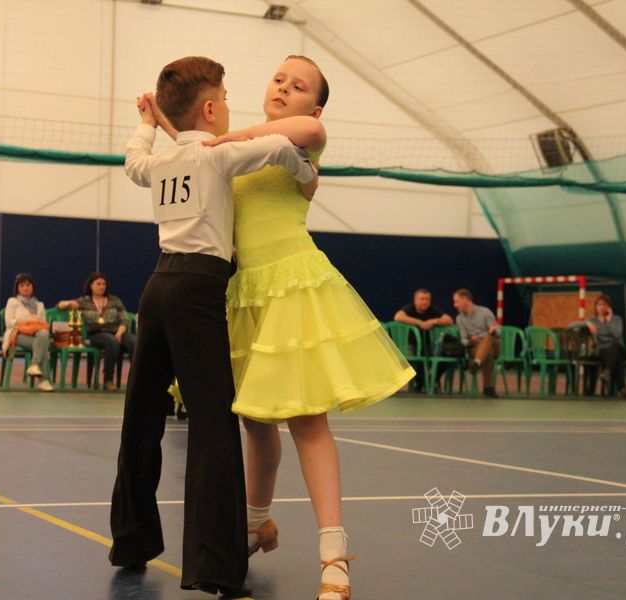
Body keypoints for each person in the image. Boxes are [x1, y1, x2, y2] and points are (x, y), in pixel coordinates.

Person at [151, 55, 414, 600]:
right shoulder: (238, 148)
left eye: (298, 86)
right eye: (278, 79)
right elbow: (196, 153)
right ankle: (256, 524)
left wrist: (231, 137)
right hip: (242, 293)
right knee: (254, 422)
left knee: (306, 421)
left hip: (292, 288)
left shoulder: (301, 142)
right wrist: (165, 123)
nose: (283, 88)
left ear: (313, 107)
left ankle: (335, 556)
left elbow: (304, 134)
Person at [111, 56, 316, 598]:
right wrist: (307, 176)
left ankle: (130, 540)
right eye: (224, 98)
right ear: (208, 109)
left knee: (141, 419)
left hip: (156, 290)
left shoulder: (162, 161)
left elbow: (134, 162)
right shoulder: (218, 154)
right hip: (199, 292)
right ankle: (217, 566)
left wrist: (148, 124)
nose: (228, 107)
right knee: (213, 426)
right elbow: (280, 146)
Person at [57, 272, 135, 392]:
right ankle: (108, 380)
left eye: (104, 284)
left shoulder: (114, 300)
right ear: (91, 285)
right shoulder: (84, 301)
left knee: (134, 342)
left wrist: (119, 333)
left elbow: (125, 319)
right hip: (96, 334)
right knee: (112, 342)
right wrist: (68, 303)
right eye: (98, 284)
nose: (102, 286)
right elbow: (59, 305)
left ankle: (135, 380)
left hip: (117, 331)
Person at [569, 294, 626, 397]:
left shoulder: (617, 319)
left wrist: (609, 320)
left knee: (615, 346)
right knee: (616, 358)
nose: (602, 307)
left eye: (605, 305)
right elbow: (571, 325)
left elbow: (616, 335)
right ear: (596, 306)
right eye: (599, 304)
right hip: (602, 352)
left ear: (609, 307)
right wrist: (587, 323)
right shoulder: (593, 320)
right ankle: (621, 387)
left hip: (618, 349)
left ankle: (607, 371)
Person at [2, 273, 54, 392]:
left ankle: (34, 365)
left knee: (43, 336)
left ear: (33, 287)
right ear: (17, 288)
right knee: (43, 343)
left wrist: (31, 324)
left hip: (36, 336)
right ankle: (43, 380)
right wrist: (26, 323)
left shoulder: (40, 305)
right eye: (22, 285)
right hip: (16, 335)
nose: (25, 288)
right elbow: (9, 322)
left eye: (28, 285)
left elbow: (43, 325)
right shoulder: (12, 301)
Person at [394, 288, 453, 391]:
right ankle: (420, 382)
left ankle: (431, 380)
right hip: (411, 344)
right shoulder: (410, 308)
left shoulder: (432, 309)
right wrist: (420, 323)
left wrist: (433, 321)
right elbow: (398, 317)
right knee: (414, 362)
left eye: (427, 299)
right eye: (422, 299)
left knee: (442, 359)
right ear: (415, 300)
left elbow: (449, 320)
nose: (425, 302)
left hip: (428, 345)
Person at [453, 288, 500, 398]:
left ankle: (476, 362)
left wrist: (493, 330)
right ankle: (488, 388)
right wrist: (470, 340)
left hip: (494, 344)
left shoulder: (485, 312)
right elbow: (463, 339)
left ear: (465, 299)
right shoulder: (459, 318)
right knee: (487, 352)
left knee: (489, 337)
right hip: (475, 347)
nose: (455, 305)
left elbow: (498, 332)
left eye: (456, 301)